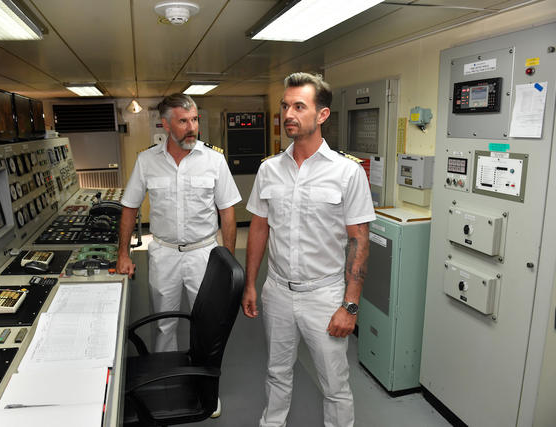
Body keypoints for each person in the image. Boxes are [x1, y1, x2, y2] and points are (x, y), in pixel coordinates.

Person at [242, 72, 375, 427]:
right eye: (286, 105)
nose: (289, 113)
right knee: (277, 373)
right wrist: (251, 283)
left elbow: (359, 241)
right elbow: (258, 227)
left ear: (322, 115)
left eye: (299, 106)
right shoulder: (269, 169)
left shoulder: (347, 173)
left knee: (334, 385)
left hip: (325, 294)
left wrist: (350, 305)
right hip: (278, 291)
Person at [117, 93, 241, 356]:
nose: (192, 127)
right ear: (166, 124)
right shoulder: (146, 161)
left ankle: (206, 391)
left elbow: (227, 211)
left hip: (204, 254)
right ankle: (166, 386)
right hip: (164, 253)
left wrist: (227, 258)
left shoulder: (214, 160)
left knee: (208, 323)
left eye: (195, 120)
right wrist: (123, 254)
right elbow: (129, 207)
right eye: (183, 121)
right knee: (163, 325)